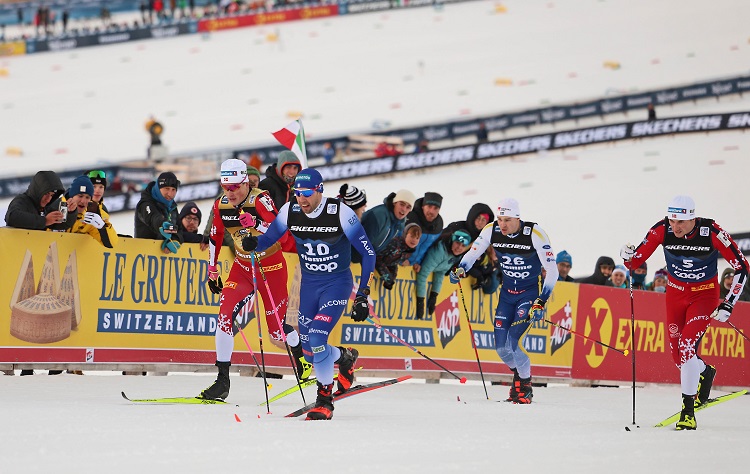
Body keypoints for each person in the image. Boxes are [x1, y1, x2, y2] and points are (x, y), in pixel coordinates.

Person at [240, 168, 376, 420]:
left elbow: (368, 252)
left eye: (307, 193)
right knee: (311, 352)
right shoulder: (290, 210)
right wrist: (254, 244)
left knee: (317, 336)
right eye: (297, 193)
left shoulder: (340, 213)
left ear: (319, 191)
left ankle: (324, 400)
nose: (301, 199)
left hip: (336, 283)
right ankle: (345, 357)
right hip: (309, 285)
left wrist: (362, 295)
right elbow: (269, 238)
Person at [620, 195, 748, 430]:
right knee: (678, 357)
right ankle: (705, 372)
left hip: (704, 296)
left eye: (680, 222)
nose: (675, 227)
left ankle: (687, 412)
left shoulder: (711, 232)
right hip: (676, 295)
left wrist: (729, 303)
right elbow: (633, 262)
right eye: (672, 221)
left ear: (692, 219)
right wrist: (627, 255)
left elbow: (742, 266)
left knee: (688, 346)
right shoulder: (662, 229)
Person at [200, 159, 305, 401]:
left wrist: (257, 225)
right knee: (224, 316)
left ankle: (301, 359)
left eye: (235, 187)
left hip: (271, 267)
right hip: (243, 267)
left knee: (277, 332)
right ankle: (222, 381)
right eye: (225, 187)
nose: (230, 193)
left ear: (246, 183)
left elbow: (282, 232)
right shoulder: (221, 204)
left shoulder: (260, 200)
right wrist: (212, 269)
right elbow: (216, 235)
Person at [451, 198, 558, 404]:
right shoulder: (491, 230)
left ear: (517, 218)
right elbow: (473, 253)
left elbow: (552, 270)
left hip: (528, 294)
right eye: (500, 219)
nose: (503, 224)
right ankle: (519, 377)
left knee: (514, 341)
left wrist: (541, 301)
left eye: (507, 220)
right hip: (507, 295)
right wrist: (461, 267)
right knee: (501, 349)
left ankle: (525, 387)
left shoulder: (534, 234)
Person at [414, 229, 471, 320]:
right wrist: (420, 300)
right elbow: (422, 274)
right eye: (457, 243)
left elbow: (440, 273)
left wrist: (434, 295)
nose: (459, 247)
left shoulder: (456, 255)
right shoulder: (440, 251)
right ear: (452, 240)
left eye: (463, 245)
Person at [4, 170, 76, 233]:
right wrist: (44, 221)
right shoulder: (22, 200)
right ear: (38, 191)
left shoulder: (45, 208)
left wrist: (71, 212)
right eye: (46, 194)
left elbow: (62, 224)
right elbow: (12, 217)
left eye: (51, 195)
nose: (48, 199)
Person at [134, 171, 182, 254]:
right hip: (143, 256)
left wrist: (175, 239)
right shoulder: (145, 204)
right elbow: (153, 218)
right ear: (158, 188)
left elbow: (180, 230)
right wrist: (162, 224)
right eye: (166, 189)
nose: (170, 194)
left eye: (173, 190)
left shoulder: (172, 207)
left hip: (164, 259)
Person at [65, 175, 118, 248]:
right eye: (80, 196)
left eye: (87, 197)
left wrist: (102, 227)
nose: (83, 201)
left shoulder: (89, 218)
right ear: (72, 196)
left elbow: (112, 244)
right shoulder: (57, 207)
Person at [359, 189, 415, 258]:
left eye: (408, 207)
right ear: (394, 203)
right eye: (401, 204)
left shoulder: (400, 223)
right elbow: (362, 243)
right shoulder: (379, 215)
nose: (404, 209)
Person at [375, 222, 422, 292]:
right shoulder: (395, 243)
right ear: (405, 235)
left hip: (388, 264)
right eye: (412, 236)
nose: (414, 240)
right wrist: (388, 279)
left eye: (417, 238)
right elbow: (377, 258)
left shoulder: (410, 250)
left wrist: (392, 278)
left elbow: (394, 262)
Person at [406, 192, 444, 273]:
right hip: (399, 264)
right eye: (429, 206)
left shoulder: (438, 225)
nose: (432, 211)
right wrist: (400, 259)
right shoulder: (410, 218)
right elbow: (396, 241)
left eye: (436, 208)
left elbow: (429, 249)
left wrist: (419, 263)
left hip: (415, 269)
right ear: (423, 206)